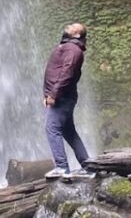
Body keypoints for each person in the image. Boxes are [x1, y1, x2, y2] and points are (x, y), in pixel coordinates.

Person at [42, 22, 91, 179]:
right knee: (69, 132)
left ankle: (62, 167)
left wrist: (53, 95)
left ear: (77, 35)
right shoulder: (69, 47)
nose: (69, 26)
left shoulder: (73, 50)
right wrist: (48, 94)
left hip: (62, 97)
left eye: (73, 26)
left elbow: (66, 73)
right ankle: (88, 167)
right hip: (62, 95)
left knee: (52, 128)